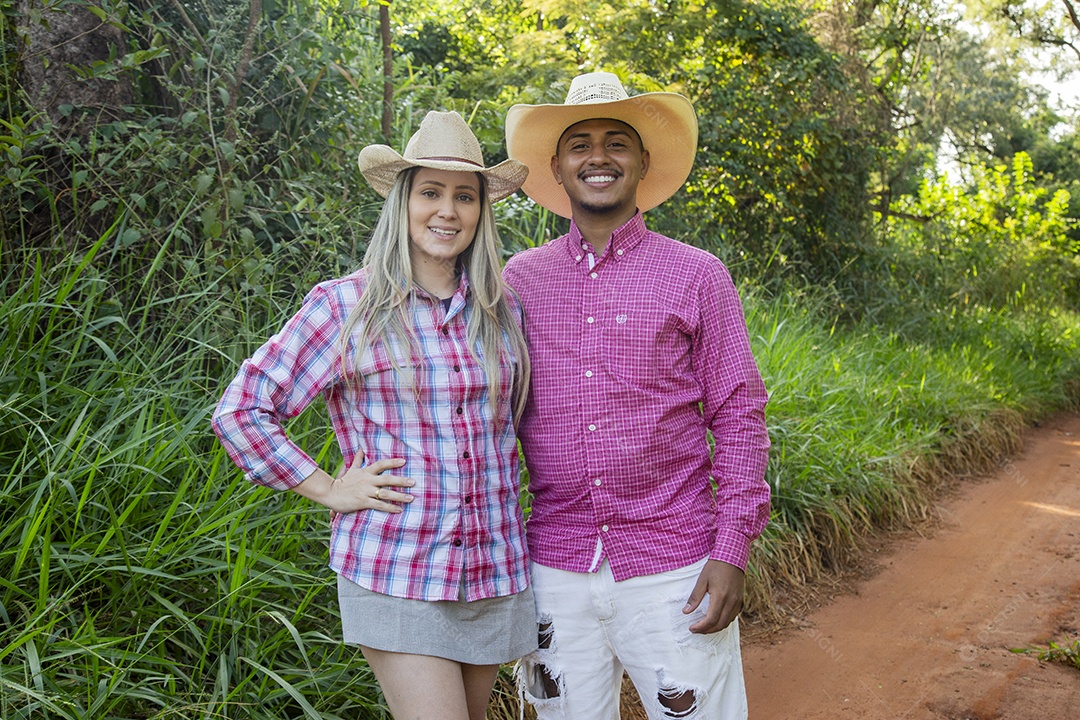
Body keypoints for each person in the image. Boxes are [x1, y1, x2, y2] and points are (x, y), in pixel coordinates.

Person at [211, 110, 534, 720]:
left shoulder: (501, 310)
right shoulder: (347, 306)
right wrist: (329, 489)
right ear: (402, 201)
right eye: (430, 192)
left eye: (465, 196)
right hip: (397, 565)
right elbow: (242, 410)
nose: (447, 211)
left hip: (491, 568)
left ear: (482, 211)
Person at [502, 71, 771, 719]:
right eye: (580, 145)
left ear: (643, 162)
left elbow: (739, 413)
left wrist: (731, 549)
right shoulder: (519, 280)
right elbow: (488, 411)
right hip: (554, 565)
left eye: (616, 143)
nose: (599, 157)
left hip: (675, 563)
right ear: (557, 168)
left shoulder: (697, 274)